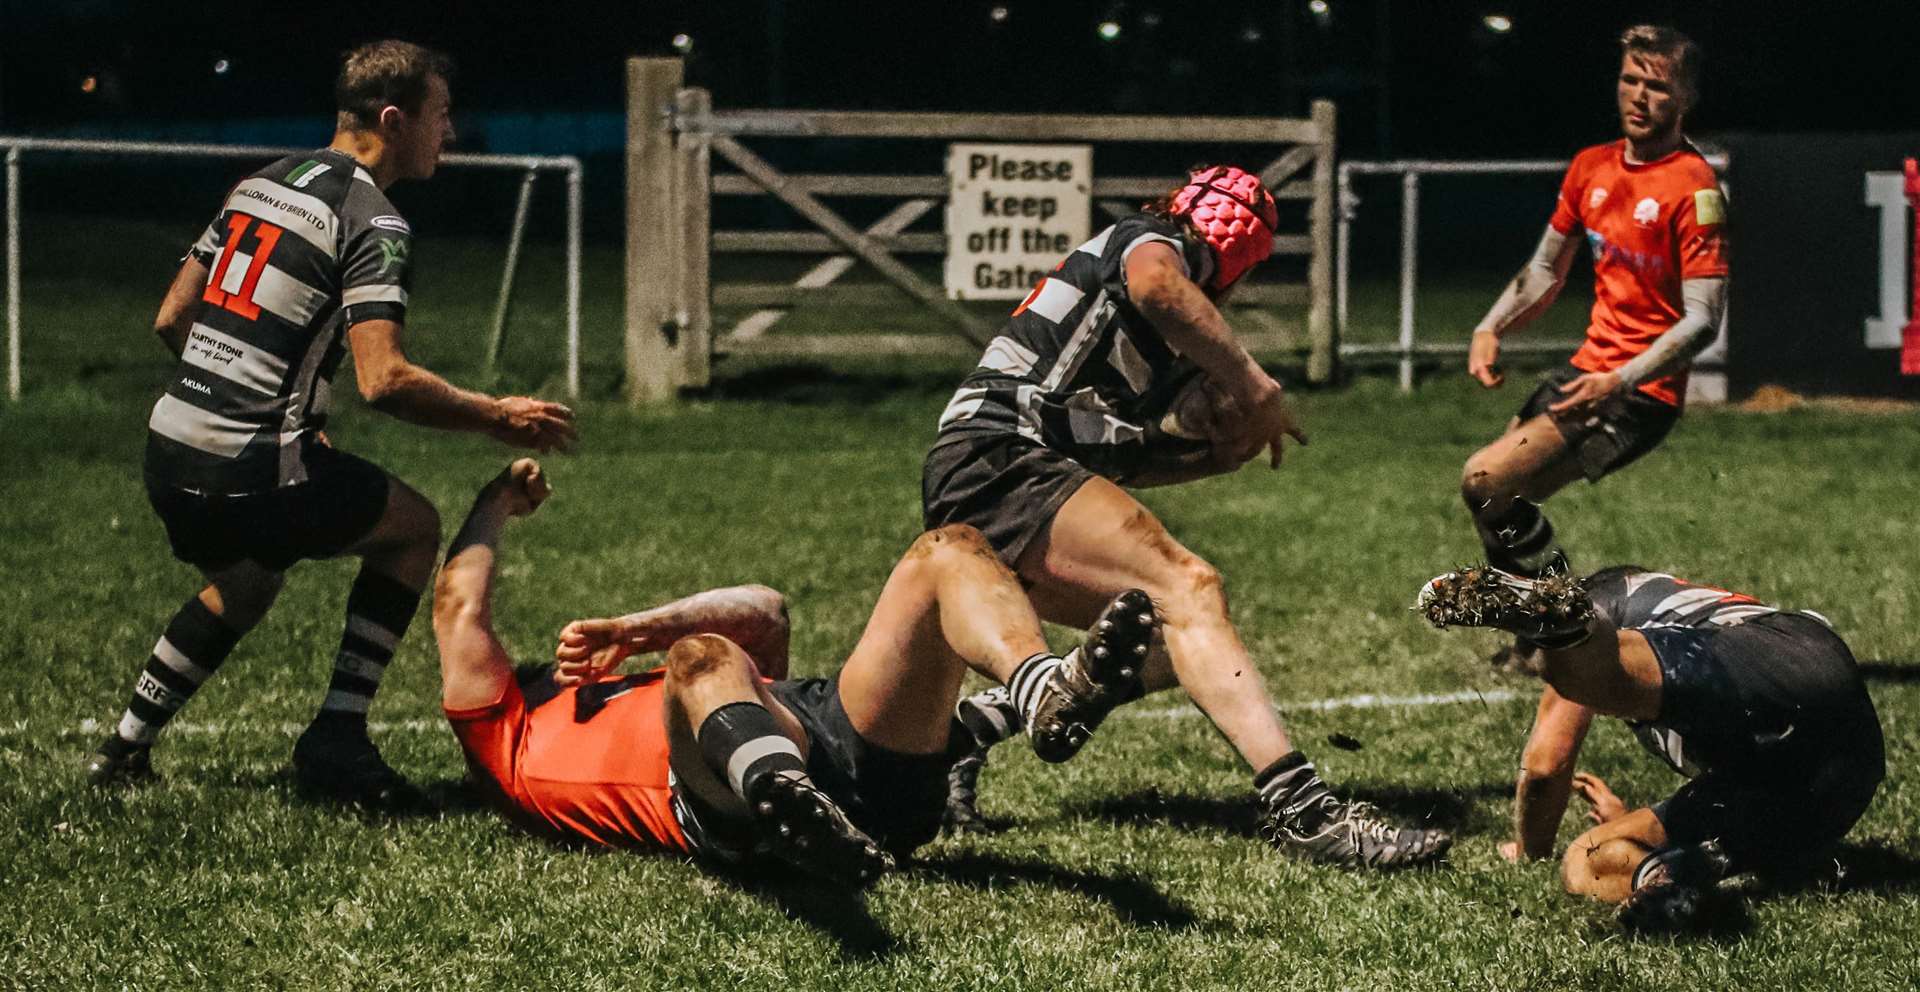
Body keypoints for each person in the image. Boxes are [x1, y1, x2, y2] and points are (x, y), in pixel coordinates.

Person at [86, 41, 577, 807]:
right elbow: (385, 381)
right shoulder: (374, 220)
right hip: (251, 465)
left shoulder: (260, 183)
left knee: (246, 581)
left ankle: (122, 749)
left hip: (169, 444)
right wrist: (497, 415)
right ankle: (338, 737)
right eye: (440, 113)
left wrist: (235, 399)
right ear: (393, 118)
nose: (449, 131)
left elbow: (171, 317)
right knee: (414, 529)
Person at [924, 164, 1450, 869]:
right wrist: (1254, 386)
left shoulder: (1155, 336)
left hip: (985, 469)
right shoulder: (1149, 244)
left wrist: (1215, 449)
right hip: (996, 452)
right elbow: (1157, 285)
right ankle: (1307, 817)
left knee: (1174, 648)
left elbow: (1128, 462)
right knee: (1190, 589)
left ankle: (965, 734)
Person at [431, 460, 1160, 883]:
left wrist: (637, 630)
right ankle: (789, 801)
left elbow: (766, 611)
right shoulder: (502, 740)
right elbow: (456, 606)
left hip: (834, 743)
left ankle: (1040, 690)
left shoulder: (628, 685)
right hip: (721, 810)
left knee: (948, 548)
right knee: (699, 662)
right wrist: (496, 500)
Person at [1457, 25, 1729, 668]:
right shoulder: (1592, 167)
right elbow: (1546, 270)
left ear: (1684, 97)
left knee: (1488, 477)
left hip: (1640, 392)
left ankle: (1566, 630)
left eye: (1657, 86)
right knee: (1497, 497)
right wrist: (1491, 326)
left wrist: (1623, 379)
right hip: (1587, 371)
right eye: (1630, 80)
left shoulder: (1696, 189)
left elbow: (1703, 321)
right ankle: (1550, 636)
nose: (1639, 96)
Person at [1417, 563, 1885, 931]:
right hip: (1833, 780)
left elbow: (1546, 765)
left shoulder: (1617, 600)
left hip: (1786, 659)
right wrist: (1627, 826)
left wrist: (1528, 849)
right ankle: (1671, 882)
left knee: (1589, 670)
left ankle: (1567, 626)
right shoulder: (1689, 607)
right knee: (1588, 856)